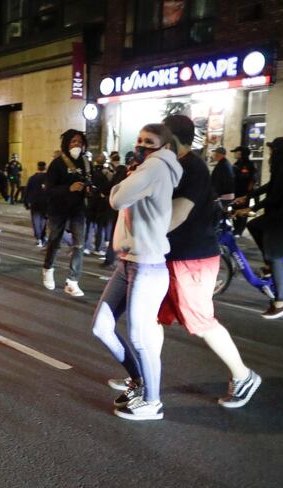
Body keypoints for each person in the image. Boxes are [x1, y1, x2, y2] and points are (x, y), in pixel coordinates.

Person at [129, 114, 262, 408]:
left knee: (201, 321)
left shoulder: (192, 168)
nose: (153, 146)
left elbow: (175, 216)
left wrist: (138, 232)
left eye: (160, 139)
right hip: (169, 256)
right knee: (152, 317)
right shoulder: (170, 165)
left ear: (172, 140)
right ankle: (145, 378)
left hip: (192, 258)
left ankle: (244, 375)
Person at [91, 123, 182, 421]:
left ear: (164, 146)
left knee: (140, 337)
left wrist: (123, 182)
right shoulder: (146, 169)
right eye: (140, 139)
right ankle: (139, 381)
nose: (142, 145)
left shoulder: (154, 168)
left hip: (147, 265)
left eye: (150, 141)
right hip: (128, 261)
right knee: (102, 326)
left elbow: (116, 198)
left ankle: (152, 402)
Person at [234, 137, 283, 319]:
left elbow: (275, 196)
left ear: (279, 151)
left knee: (275, 252)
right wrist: (248, 196)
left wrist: (251, 208)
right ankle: (270, 266)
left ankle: (281, 302)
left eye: (271, 150)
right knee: (254, 225)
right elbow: (271, 187)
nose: (269, 153)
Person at [42, 129, 92, 297]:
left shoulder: (86, 162)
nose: (77, 144)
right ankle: (48, 268)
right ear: (66, 144)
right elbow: (49, 189)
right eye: (73, 141)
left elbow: (90, 180)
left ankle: (72, 281)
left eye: (80, 142)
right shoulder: (57, 164)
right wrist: (68, 188)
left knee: (79, 244)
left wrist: (89, 189)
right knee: (55, 240)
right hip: (58, 209)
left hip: (77, 209)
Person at [101, 152, 127, 268]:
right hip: (121, 208)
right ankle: (113, 258)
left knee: (114, 233)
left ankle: (110, 258)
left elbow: (110, 187)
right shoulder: (127, 174)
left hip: (115, 207)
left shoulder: (118, 174)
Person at [85, 152, 112, 256]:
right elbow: (110, 185)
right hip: (101, 202)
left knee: (89, 224)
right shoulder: (107, 173)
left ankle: (87, 247)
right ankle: (98, 248)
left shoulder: (90, 172)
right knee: (100, 226)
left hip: (92, 200)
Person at [230, 146, 257, 236]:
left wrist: (247, 194)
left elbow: (252, 180)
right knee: (235, 210)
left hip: (243, 193)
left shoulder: (249, 164)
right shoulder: (236, 164)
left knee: (242, 212)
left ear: (241, 153)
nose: (234, 153)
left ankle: (239, 230)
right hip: (236, 192)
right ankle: (236, 229)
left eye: (236, 152)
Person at [24, 161, 48, 248]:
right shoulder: (48, 178)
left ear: (37, 167)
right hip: (45, 203)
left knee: (36, 221)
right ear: (45, 167)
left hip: (35, 202)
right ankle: (43, 237)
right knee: (43, 222)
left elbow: (27, 191)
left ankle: (39, 239)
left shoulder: (32, 178)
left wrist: (26, 202)